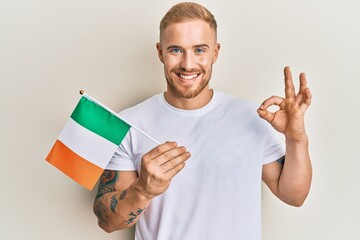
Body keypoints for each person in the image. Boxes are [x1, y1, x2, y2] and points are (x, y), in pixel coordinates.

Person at [93, 2, 312, 239]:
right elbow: (107, 222)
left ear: (215, 52)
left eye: (199, 50)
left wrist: (296, 138)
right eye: (176, 50)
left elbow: (294, 196)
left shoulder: (253, 117)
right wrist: (142, 190)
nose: (188, 64)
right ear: (160, 52)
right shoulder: (130, 123)